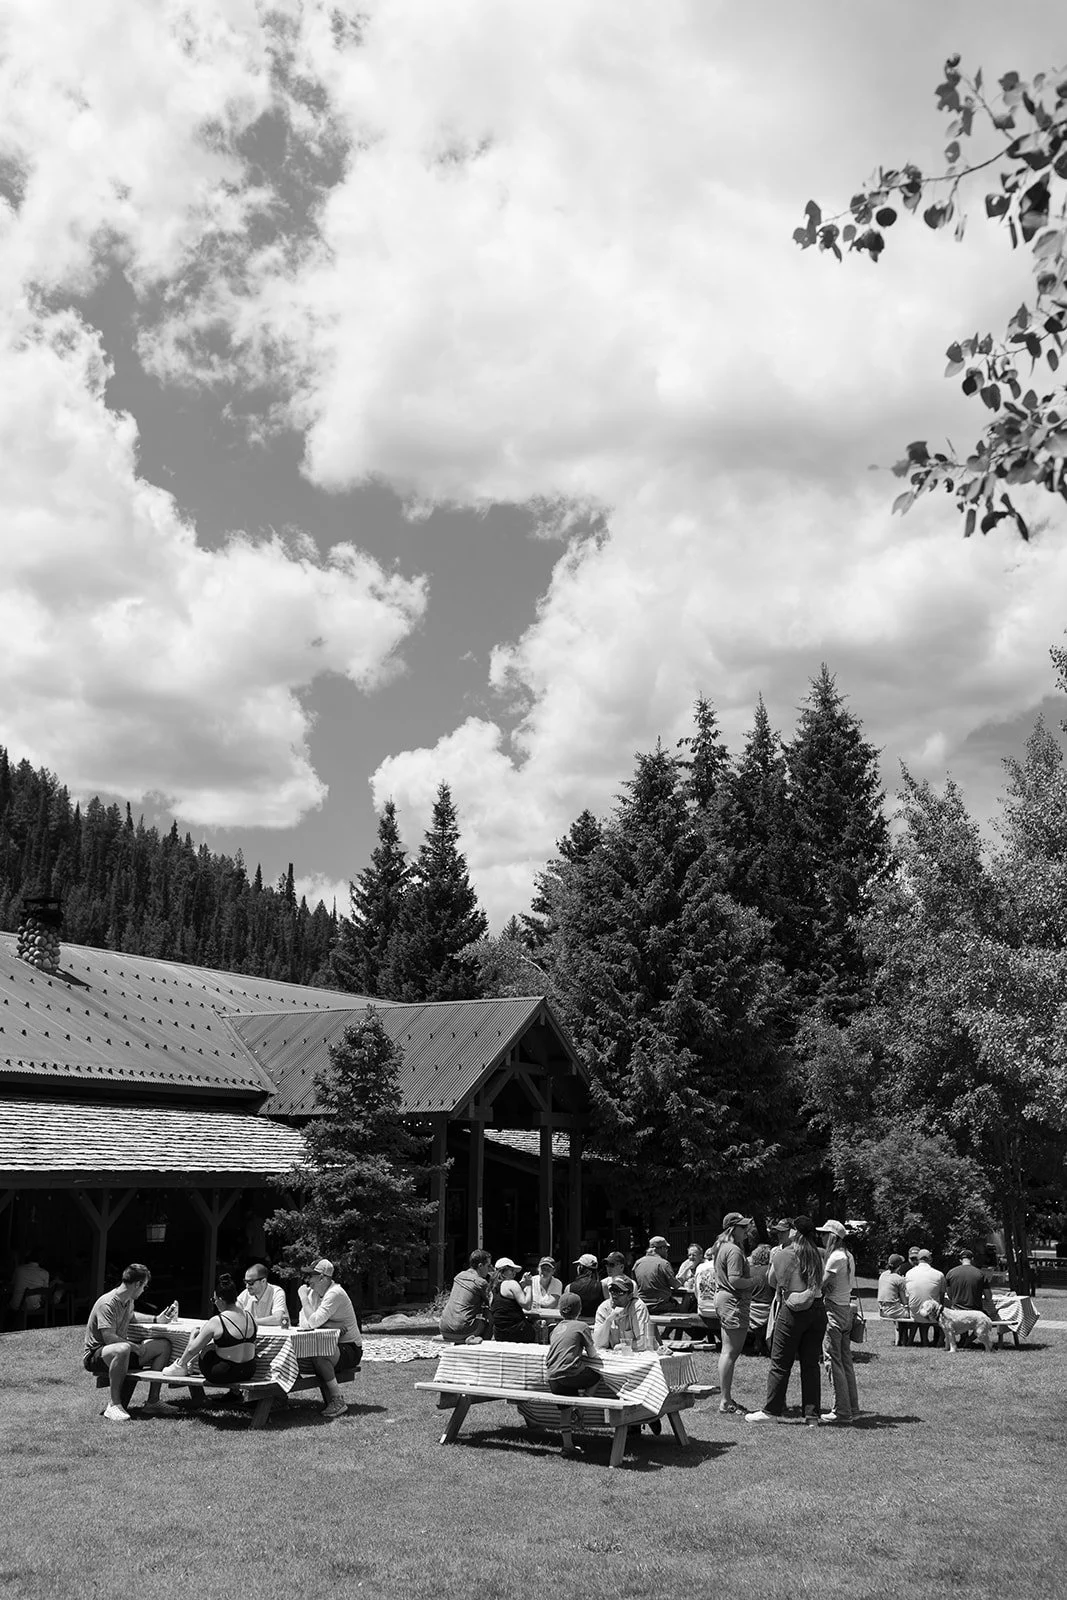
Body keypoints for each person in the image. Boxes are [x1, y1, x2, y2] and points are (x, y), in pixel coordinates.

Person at [745, 1216, 827, 1426]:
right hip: (818, 1309)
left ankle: (771, 1410)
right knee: (810, 1365)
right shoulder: (819, 1254)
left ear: (795, 1232)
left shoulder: (785, 1254)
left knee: (780, 1362)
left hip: (793, 1309)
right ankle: (812, 1416)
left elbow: (773, 1281)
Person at [83, 1262, 178, 1423]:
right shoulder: (107, 1303)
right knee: (123, 1348)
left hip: (122, 1351)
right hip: (97, 1354)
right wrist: (135, 1347)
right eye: (144, 1287)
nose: (143, 1290)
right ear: (137, 1284)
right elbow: (109, 1338)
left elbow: (132, 1317)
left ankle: (153, 1401)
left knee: (163, 1345)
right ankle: (113, 1405)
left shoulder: (127, 1301)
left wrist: (157, 1319)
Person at [162, 1273, 258, 1385]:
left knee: (208, 1349)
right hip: (248, 1371)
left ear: (221, 1300)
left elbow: (192, 1350)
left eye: (214, 1300)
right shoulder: (251, 1317)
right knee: (222, 1345)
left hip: (224, 1373)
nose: (214, 1303)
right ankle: (234, 1394)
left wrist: (193, 1336)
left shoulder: (217, 1321)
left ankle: (180, 1366)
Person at [296, 1259, 363, 1419]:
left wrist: (303, 1299)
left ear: (322, 1277)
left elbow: (311, 1322)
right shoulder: (314, 1293)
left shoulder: (335, 1293)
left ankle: (337, 1400)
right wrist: (331, 1325)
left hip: (350, 1348)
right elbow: (303, 1322)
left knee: (320, 1354)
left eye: (311, 1276)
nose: (307, 1281)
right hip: (328, 1343)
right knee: (291, 1354)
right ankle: (278, 1397)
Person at [819, 1219, 860, 1425]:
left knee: (832, 1360)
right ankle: (852, 1406)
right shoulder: (848, 1255)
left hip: (833, 1310)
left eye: (825, 1234)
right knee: (845, 1361)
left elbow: (822, 1284)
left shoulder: (835, 1257)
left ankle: (841, 1411)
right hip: (845, 1310)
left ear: (833, 1237)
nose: (822, 1237)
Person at [714, 1212, 755, 1416]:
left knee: (727, 1351)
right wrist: (755, 1280)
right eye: (742, 1227)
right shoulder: (734, 1251)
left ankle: (725, 1398)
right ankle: (725, 1400)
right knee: (730, 1352)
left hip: (725, 1300)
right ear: (732, 1229)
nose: (746, 1231)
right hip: (733, 1301)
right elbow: (735, 1280)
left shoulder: (722, 1247)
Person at [545, 1292, 601, 1405]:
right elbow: (592, 1354)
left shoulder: (555, 1328)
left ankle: (569, 1420)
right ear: (579, 1310)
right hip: (569, 1374)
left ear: (560, 1311)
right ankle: (581, 1409)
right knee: (596, 1377)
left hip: (552, 1376)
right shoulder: (582, 1326)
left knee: (566, 1410)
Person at [592, 1275, 658, 1352]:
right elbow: (598, 1344)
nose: (614, 1295)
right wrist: (609, 1321)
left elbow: (645, 1343)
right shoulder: (604, 1308)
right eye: (612, 1290)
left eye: (619, 1292)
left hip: (641, 1355)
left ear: (630, 1296)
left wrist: (623, 1346)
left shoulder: (638, 1307)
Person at [440, 1250, 493, 1342]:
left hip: (444, 1328)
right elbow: (492, 1304)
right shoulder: (480, 1282)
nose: (490, 1269)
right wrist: (493, 1280)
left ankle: (466, 1340)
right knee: (489, 1313)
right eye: (488, 1266)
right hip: (463, 1330)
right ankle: (483, 1345)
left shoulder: (459, 1277)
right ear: (480, 1266)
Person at [632, 1236, 691, 1313]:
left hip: (642, 1305)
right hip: (660, 1305)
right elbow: (676, 1285)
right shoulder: (663, 1264)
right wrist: (683, 1277)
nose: (667, 1251)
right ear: (661, 1249)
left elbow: (634, 1284)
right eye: (666, 1248)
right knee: (686, 1306)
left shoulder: (638, 1263)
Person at [904, 1248, 947, 1347]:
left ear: (918, 1259)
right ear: (930, 1259)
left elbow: (907, 1294)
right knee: (935, 1309)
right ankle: (938, 1341)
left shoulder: (909, 1273)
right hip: (931, 1314)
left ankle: (914, 1340)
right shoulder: (939, 1274)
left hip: (914, 1313)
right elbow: (941, 1298)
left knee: (923, 1307)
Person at [490, 1257, 532, 1342]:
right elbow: (527, 1305)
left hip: (499, 1333)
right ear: (503, 1272)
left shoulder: (492, 1288)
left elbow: (504, 1302)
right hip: (518, 1331)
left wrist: (521, 1286)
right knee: (539, 1329)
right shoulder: (511, 1283)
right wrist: (529, 1285)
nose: (514, 1274)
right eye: (511, 1270)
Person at [876, 1254, 911, 1345]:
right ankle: (905, 1341)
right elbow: (904, 1301)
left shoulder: (883, 1275)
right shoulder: (899, 1279)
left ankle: (899, 1340)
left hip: (881, 1310)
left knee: (901, 1313)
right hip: (892, 1311)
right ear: (899, 1266)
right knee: (912, 1313)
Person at [747, 1244, 775, 1355]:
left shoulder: (748, 1271)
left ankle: (757, 1341)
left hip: (751, 1311)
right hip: (768, 1311)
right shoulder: (771, 1271)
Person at [8, 1248, 49, 1317]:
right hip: (34, 1306)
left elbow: (12, 1285)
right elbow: (45, 1292)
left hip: (17, 1305)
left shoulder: (19, 1270)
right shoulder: (45, 1273)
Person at [565, 1253, 604, 1319]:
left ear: (580, 1267)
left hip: (576, 1324)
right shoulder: (603, 1286)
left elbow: (565, 1309)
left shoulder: (569, 1287)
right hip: (597, 1323)